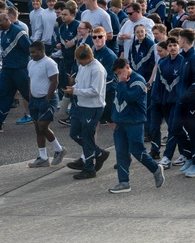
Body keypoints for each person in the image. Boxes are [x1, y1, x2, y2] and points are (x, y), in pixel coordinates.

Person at [108, 58, 165, 193]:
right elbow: (118, 99)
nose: (119, 76)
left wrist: (122, 83)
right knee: (121, 152)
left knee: (137, 151)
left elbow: (128, 97)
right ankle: (123, 182)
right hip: (121, 121)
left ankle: (155, 169)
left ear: (128, 67)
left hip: (134, 122)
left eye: (121, 72)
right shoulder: (120, 79)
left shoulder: (138, 81)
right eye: (117, 74)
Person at [64, 44, 109, 179]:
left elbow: (95, 91)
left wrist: (75, 91)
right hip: (81, 105)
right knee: (74, 133)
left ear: (88, 57)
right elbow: (79, 82)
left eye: (80, 60)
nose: (79, 62)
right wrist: (73, 88)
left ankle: (89, 168)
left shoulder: (98, 70)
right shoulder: (82, 66)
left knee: (87, 137)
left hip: (93, 108)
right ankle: (99, 153)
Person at [172, 29, 195, 178]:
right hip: (182, 101)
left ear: (183, 40)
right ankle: (189, 156)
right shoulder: (183, 57)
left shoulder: (194, 57)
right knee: (175, 128)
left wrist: (185, 96)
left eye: (179, 39)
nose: (177, 41)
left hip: (194, 101)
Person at [25, 41, 66, 167]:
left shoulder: (49, 63)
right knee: (38, 128)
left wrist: (47, 99)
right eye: (30, 52)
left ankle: (59, 149)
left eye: (34, 52)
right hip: (35, 100)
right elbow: (31, 80)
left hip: (48, 99)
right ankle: (43, 158)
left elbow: (54, 82)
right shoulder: (31, 63)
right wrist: (30, 98)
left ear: (41, 51)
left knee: (43, 126)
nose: (31, 54)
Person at [0, 13, 31, 132]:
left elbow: (30, 50)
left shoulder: (19, 33)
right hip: (7, 70)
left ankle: (43, 117)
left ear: (6, 19)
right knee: (2, 94)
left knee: (28, 95)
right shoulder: (3, 33)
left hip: (20, 70)